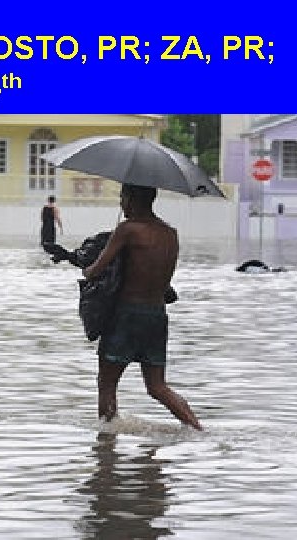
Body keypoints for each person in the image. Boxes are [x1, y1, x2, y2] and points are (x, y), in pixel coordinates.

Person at [83, 183, 203, 431]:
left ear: (134, 199)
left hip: (126, 316)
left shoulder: (128, 230)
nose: (121, 204)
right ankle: (197, 429)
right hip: (156, 316)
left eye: (123, 198)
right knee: (157, 387)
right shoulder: (171, 234)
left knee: (107, 383)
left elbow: (97, 269)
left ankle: (106, 444)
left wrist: (87, 269)